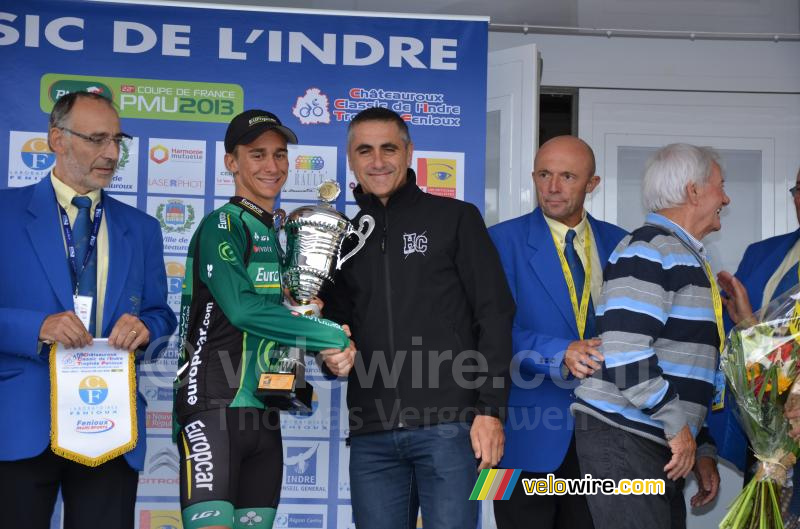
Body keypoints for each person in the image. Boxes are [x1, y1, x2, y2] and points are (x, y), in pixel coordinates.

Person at [319, 107, 515, 529]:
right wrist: (329, 354)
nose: (378, 161)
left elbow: (495, 314)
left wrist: (491, 409)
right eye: (364, 150)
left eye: (389, 148)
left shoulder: (456, 219)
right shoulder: (342, 239)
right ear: (351, 159)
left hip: (451, 428)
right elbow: (336, 326)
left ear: (409, 152)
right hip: (371, 431)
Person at [0, 91, 177, 529]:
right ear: (57, 140)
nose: (112, 153)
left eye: (118, 140)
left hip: (110, 428)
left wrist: (146, 328)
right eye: (97, 139)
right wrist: (35, 326)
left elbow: (161, 313)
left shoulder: (142, 228)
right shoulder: (4, 212)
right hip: (19, 426)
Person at [173, 109, 355, 529]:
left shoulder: (278, 236)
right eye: (257, 155)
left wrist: (316, 327)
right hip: (213, 405)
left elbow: (282, 319)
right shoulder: (223, 225)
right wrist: (326, 333)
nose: (272, 166)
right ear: (231, 162)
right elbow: (242, 310)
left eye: (279, 155)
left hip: (263, 412)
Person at [572, 143, 727, 529]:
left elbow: (687, 365)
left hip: (651, 438)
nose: (725, 198)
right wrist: (679, 427)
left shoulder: (683, 254)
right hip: (625, 437)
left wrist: (701, 444)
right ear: (693, 191)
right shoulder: (649, 250)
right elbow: (626, 353)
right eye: (720, 186)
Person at [488, 136, 627, 529]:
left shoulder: (621, 243)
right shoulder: (496, 241)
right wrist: (557, 351)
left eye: (567, 176)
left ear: (592, 184)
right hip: (516, 435)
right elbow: (485, 332)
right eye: (544, 174)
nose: (552, 187)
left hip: (603, 437)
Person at [713, 166, 800, 526]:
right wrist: (747, 323)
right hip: (766, 443)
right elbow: (736, 347)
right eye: (799, 188)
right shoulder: (763, 254)